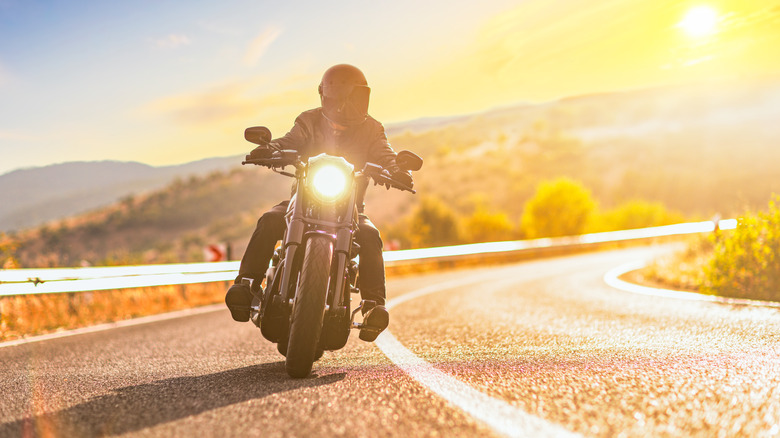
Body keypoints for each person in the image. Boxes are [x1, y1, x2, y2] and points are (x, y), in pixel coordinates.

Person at [225, 64, 412, 341]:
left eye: (356, 97)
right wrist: (271, 148)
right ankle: (248, 284)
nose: (349, 105)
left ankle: (373, 306)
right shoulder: (309, 121)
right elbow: (290, 140)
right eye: (345, 97)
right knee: (270, 220)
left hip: (349, 210)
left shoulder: (372, 129)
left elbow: (385, 152)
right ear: (330, 97)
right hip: (302, 203)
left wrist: (397, 167)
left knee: (370, 235)